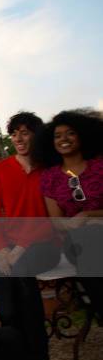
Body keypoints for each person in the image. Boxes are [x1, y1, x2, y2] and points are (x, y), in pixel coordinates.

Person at [0, 112, 59, 360]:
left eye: (25, 132)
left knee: (23, 282)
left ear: (36, 136)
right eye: (14, 132)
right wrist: (2, 249)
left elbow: (52, 218)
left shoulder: (49, 170)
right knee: (7, 305)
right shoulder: (1, 169)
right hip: (12, 250)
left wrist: (19, 249)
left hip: (47, 246)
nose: (18, 137)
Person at [33, 110, 103, 318]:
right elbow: (56, 221)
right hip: (77, 241)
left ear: (81, 136)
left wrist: (88, 216)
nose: (64, 139)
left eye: (70, 133)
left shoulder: (100, 166)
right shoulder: (50, 177)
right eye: (57, 135)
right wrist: (73, 224)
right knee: (87, 240)